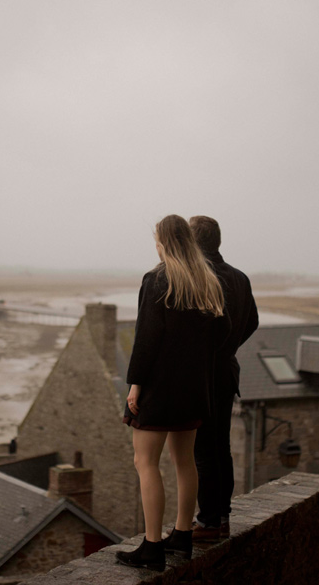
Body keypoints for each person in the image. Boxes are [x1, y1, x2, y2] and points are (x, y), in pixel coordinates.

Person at [115, 214, 229, 571]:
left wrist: (136, 384)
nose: (156, 246)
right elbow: (221, 337)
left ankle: (152, 548)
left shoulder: (157, 280)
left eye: (157, 240)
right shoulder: (208, 282)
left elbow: (146, 339)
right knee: (185, 462)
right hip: (194, 387)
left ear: (164, 241)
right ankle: (182, 536)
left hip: (161, 389)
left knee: (145, 462)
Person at [189, 215, 258, 541]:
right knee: (221, 448)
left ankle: (208, 522)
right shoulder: (240, 278)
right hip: (227, 373)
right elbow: (252, 322)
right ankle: (224, 516)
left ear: (193, 243)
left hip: (203, 377)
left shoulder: (199, 277)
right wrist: (229, 348)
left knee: (202, 451)